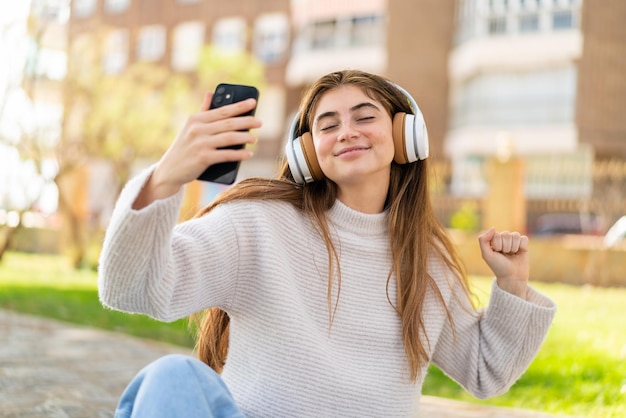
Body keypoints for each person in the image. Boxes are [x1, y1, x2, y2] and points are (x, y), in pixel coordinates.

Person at [98, 69, 556, 418]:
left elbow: (484, 370)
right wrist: (164, 180)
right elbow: (131, 289)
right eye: (328, 124)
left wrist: (513, 286)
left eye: (364, 117)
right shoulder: (258, 222)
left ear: (404, 136)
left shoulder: (425, 258)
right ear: (307, 152)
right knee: (171, 377)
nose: (347, 132)